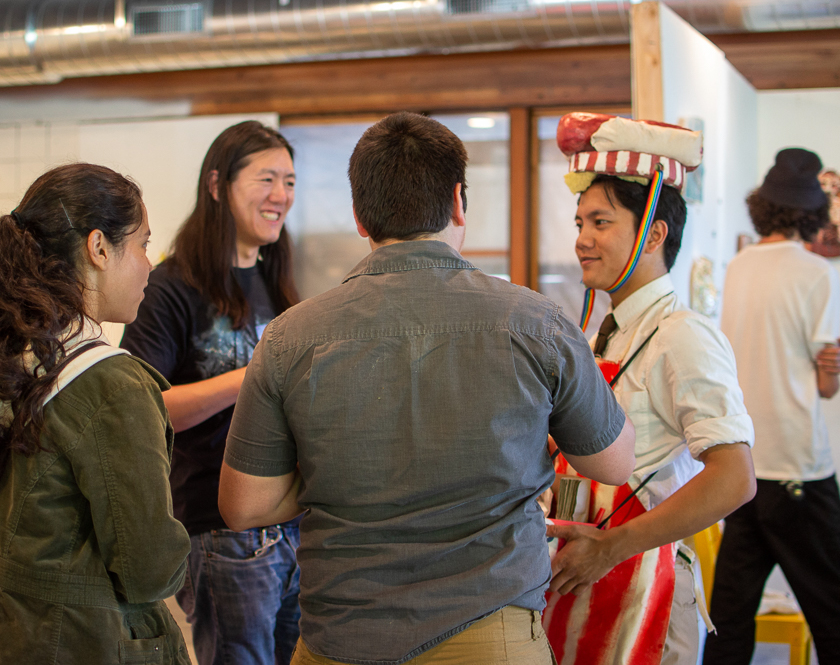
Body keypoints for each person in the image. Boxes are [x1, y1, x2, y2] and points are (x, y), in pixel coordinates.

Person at [218, 111, 636, 665]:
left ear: (360, 217)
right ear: (459, 201)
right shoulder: (535, 321)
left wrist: (342, 472)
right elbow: (613, 464)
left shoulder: (292, 336)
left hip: (342, 635)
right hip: (491, 632)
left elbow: (244, 505)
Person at [0, 163, 192, 665]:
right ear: (99, 248)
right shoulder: (112, 385)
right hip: (84, 644)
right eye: (144, 245)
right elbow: (148, 569)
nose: (151, 265)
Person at [544, 113, 756, 665]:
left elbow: (735, 478)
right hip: (586, 579)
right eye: (579, 222)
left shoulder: (683, 335)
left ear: (655, 233)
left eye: (600, 223)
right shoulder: (605, 334)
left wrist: (612, 546)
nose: (582, 240)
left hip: (647, 587)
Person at [119, 121, 302, 665]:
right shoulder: (171, 287)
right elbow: (144, 408)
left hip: (288, 520)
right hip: (219, 528)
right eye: (266, 178)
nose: (281, 196)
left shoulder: (276, 280)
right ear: (218, 185)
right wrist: (250, 375)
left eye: (290, 181)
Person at [704, 148, 840, 665]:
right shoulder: (815, 272)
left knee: (731, 615)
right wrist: (831, 368)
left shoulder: (737, 266)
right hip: (799, 466)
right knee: (831, 607)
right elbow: (825, 385)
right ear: (812, 213)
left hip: (744, 465)